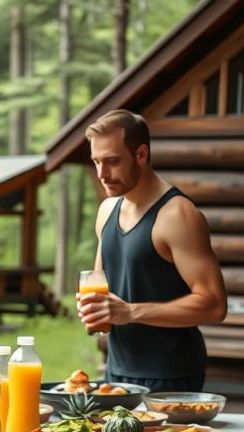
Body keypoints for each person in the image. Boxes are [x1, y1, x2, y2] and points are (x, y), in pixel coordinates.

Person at [77, 109, 227, 392]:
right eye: (96, 162)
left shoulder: (178, 215)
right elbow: (103, 292)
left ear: (141, 154)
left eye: (112, 161)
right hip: (116, 371)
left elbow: (215, 305)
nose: (102, 174)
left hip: (171, 376)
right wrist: (95, 311)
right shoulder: (107, 210)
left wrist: (131, 312)